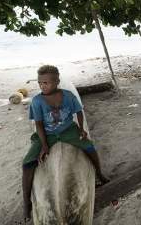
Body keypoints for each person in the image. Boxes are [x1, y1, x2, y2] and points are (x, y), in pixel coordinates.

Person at [22, 65, 109, 221]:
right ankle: (26, 202)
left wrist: (81, 129)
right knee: (27, 164)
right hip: (46, 134)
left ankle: (99, 173)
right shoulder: (37, 101)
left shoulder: (68, 96)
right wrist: (44, 145)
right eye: (40, 83)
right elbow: (39, 125)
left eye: (46, 83)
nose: (42, 86)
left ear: (57, 82)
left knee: (89, 147)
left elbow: (78, 111)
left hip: (68, 130)